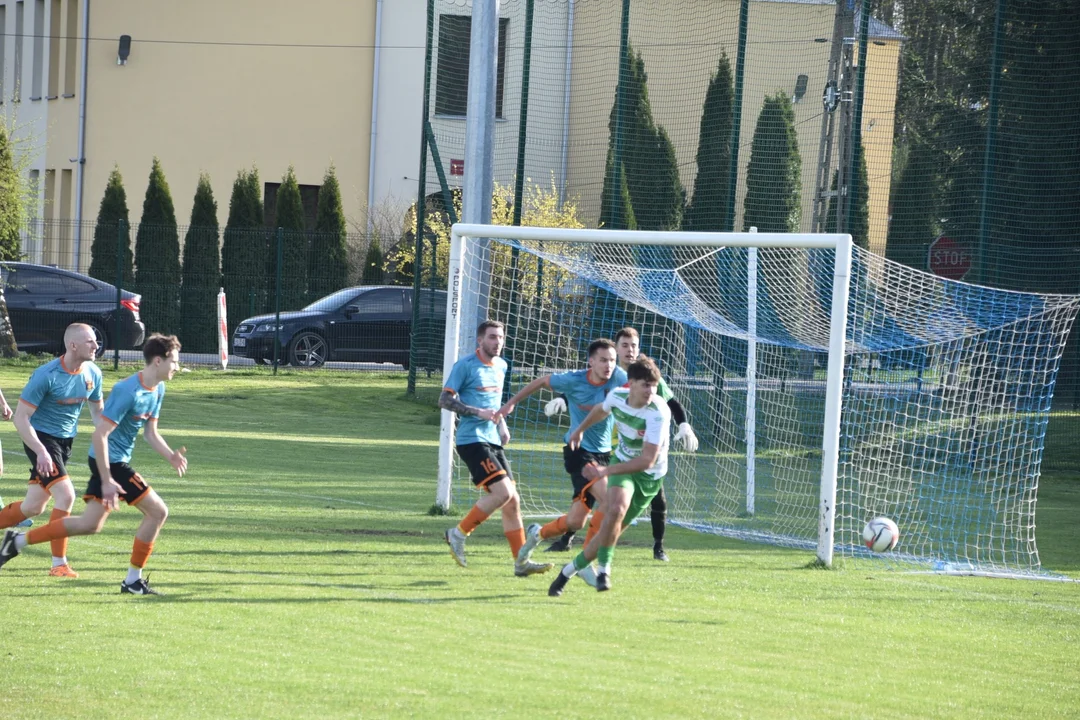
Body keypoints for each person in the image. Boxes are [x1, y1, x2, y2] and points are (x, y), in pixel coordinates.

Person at [0, 334, 188, 596]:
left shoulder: (157, 389)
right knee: (157, 512)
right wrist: (107, 478)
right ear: (158, 360)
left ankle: (17, 541)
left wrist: (170, 456)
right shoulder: (127, 390)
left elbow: (150, 432)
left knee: (86, 523)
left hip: (105, 458)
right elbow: (100, 434)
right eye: (174, 361)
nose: (177, 367)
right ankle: (128, 580)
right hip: (108, 461)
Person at [547, 326, 698, 561]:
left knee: (656, 498)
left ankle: (658, 548)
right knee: (593, 492)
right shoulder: (611, 372)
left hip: (645, 449)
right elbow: (585, 385)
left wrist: (684, 424)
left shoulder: (647, 376)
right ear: (616, 348)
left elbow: (672, 402)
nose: (630, 350)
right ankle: (571, 540)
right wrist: (563, 399)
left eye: (634, 345)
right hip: (615, 447)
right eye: (625, 345)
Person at [548, 355, 670, 596]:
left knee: (608, 533)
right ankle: (604, 571)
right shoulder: (617, 396)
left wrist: (604, 470)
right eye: (646, 385)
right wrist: (579, 430)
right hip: (622, 463)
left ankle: (567, 572)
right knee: (615, 508)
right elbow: (600, 410)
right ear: (631, 383)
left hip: (650, 477)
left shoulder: (658, 412)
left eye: (654, 386)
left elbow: (647, 460)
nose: (651, 391)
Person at [498, 338, 626, 565]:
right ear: (591, 361)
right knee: (610, 501)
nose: (609, 365)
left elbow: (645, 390)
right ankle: (587, 560)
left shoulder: (619, 377)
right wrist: (511, 403)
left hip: (605, 454)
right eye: (603, 360)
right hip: (579, 451)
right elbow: (541, 381)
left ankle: (538, 534)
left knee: (576, 521)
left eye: (612, 360)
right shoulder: (573, 379)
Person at [439, 320, 552, 578]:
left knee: (513, 501)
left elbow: (495, 402)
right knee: (503, 493)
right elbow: (444, 400)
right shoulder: (465, 366)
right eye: (492, 337)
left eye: (500, 337)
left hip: (493, 439)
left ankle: (521, 562)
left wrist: (502, 424)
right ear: (480, 340)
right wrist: (476, 412)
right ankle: (457, 534)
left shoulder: (502, 365)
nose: (497, 342)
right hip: (471, 440)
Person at [0, 323, 104, 577]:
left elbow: (98, 413)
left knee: (33, 507)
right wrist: (41, 452)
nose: (96, 345)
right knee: (66, 496)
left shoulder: (93, 373)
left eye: (95, 341)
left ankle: (12, 540)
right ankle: (59, 564)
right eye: (90, 341)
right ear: (73, 346)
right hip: (41, 439)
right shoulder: (46, 375)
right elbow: (21, 418)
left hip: (65, 442)